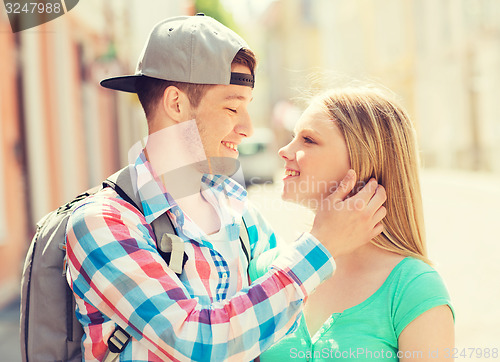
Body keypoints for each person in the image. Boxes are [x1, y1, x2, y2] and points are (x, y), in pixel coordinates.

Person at [65, 15, 387, 361]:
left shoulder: (240, 213)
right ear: (176, 104)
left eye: (247, 107)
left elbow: (280, 327)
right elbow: (199, 343)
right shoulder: (103, 224)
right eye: (232, 107)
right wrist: (321, 245)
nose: (247, 127)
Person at [253, 85, 455, 361]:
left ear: (363, 158)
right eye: (292, 137)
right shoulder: (267, 270)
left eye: (308, 140)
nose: (285, 151)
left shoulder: (413, 288)